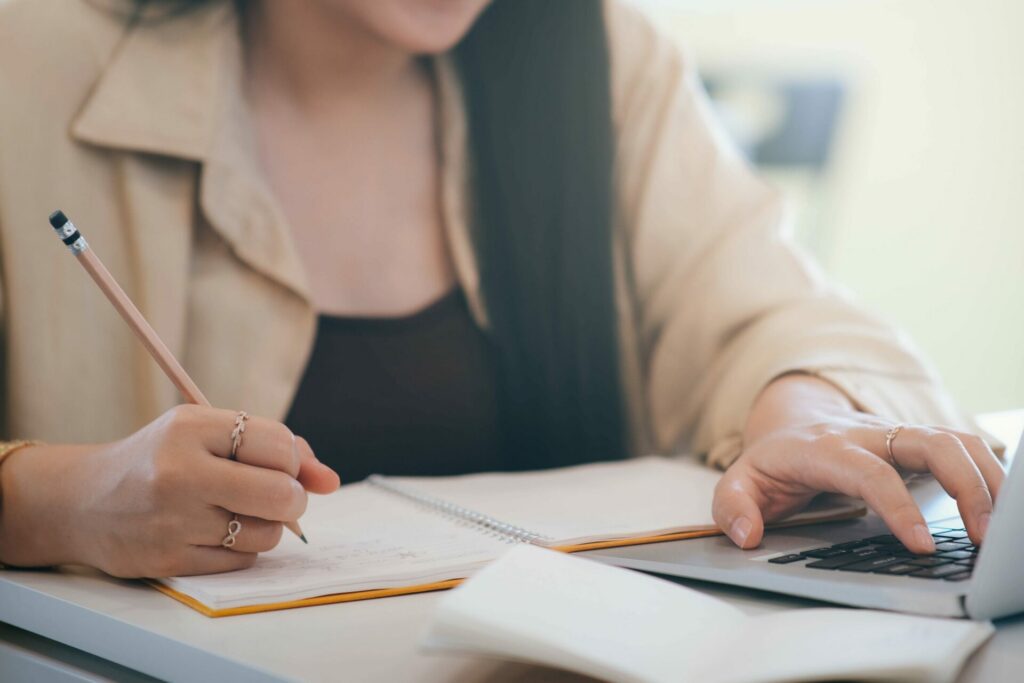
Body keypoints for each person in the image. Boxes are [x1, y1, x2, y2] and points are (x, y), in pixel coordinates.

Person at [0, 0, 1003, 579]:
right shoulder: (28, 61)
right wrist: (62, 500)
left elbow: (779, 308)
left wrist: (803, 411)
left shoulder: (596, 56)